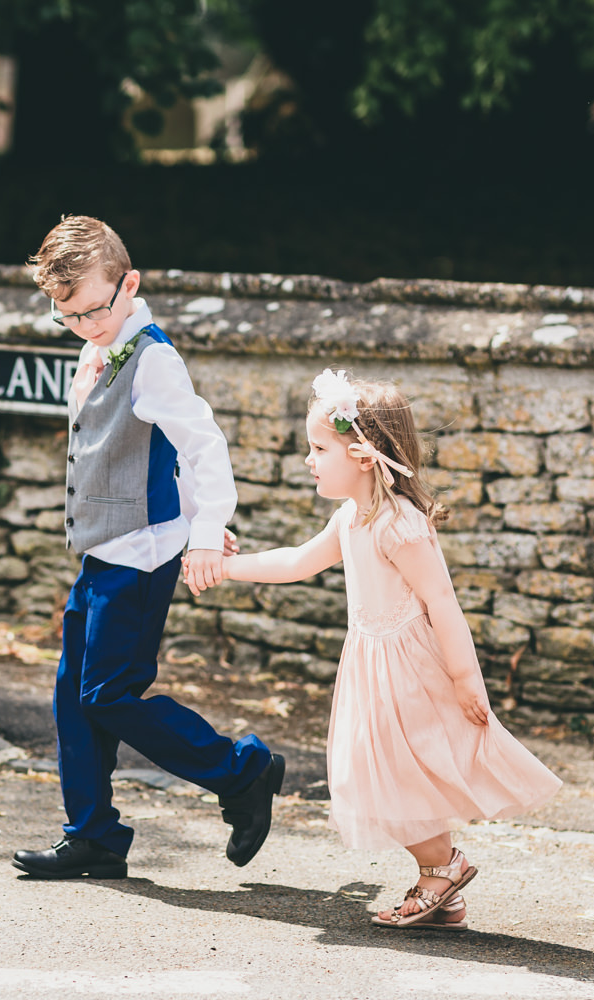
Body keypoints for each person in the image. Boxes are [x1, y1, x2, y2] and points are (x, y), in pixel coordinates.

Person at [212, 368, 562, 929]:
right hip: (369, 663)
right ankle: (442, 887)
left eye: (319, 448)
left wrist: (467, 679)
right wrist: (223, 568)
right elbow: (297, 562)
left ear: (364, 454)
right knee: (376, 774)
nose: (309, 459)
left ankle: (442, 869)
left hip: (408, 669)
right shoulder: (353, 516)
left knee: (396, 776)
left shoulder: (399, 525)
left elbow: (442, 602)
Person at [12, 215, 284, 881]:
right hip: (104, 552)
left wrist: (205, 529)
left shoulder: (153, 358)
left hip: (144, 554)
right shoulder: (98, 342)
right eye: (66, 317)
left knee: (109, 692)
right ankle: (94, 836)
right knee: (73, 694)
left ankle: (241, 771)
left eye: (93, 312)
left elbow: (201, 445)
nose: (83, 326)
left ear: (129, 283)